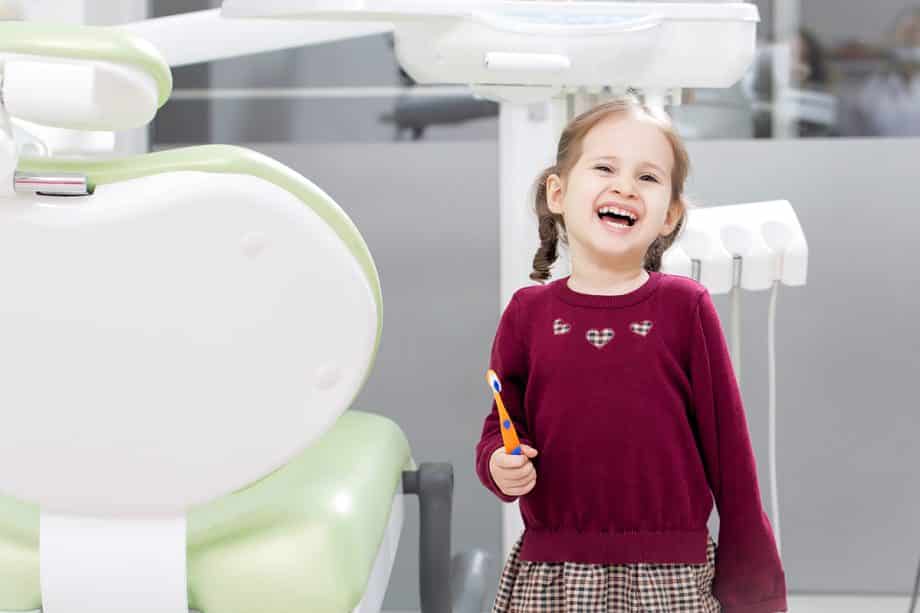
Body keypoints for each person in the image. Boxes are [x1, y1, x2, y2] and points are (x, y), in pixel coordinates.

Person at [474, 99, 787, 613]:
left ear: (670, 215)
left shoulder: (685, 308)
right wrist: (499, 463)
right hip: (553, 573)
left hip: (672, 577)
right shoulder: (527, 313)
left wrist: (755, 587)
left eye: (647, 177)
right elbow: (501, 423)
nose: (624, 187)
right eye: (604, 167)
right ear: (558, 192)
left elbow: (732, 456)